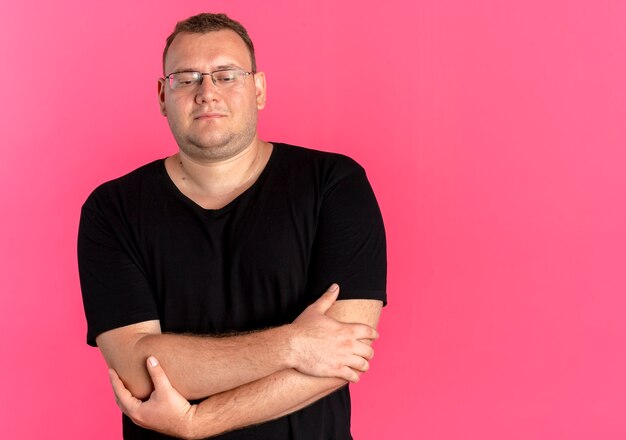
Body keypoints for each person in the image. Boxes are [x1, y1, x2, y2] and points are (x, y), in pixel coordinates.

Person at [78, 12, 386, 440]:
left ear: (258, 89)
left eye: (226, 75)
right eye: (186, 78)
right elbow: (138, 368)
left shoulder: (333, 184)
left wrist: (197, 422)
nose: (207, 93)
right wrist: (293, 345)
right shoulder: (111, 209)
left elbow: (343, 354)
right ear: (162, 95)